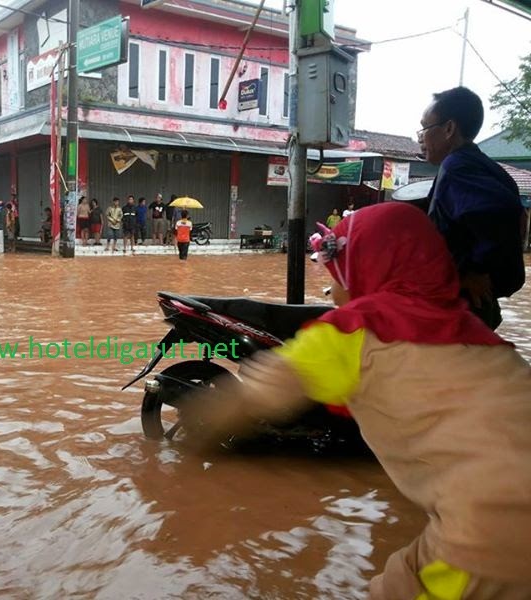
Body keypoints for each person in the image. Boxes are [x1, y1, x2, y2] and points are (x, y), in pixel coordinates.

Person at [186, 203, 531, 599]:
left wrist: (196, 443)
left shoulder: (353, 332)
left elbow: (248, 400)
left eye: (336, 276)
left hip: (492, 528)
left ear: (367, 270)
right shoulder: (479, 335)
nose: (331, 290)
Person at [419, 86, 525, 330]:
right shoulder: (484, 165)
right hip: (474, 307)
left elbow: (501, 210)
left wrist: (471, 269)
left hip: (463, 308)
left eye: (425, 128)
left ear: (449, 129)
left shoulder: (457, 167)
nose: (421, 137)